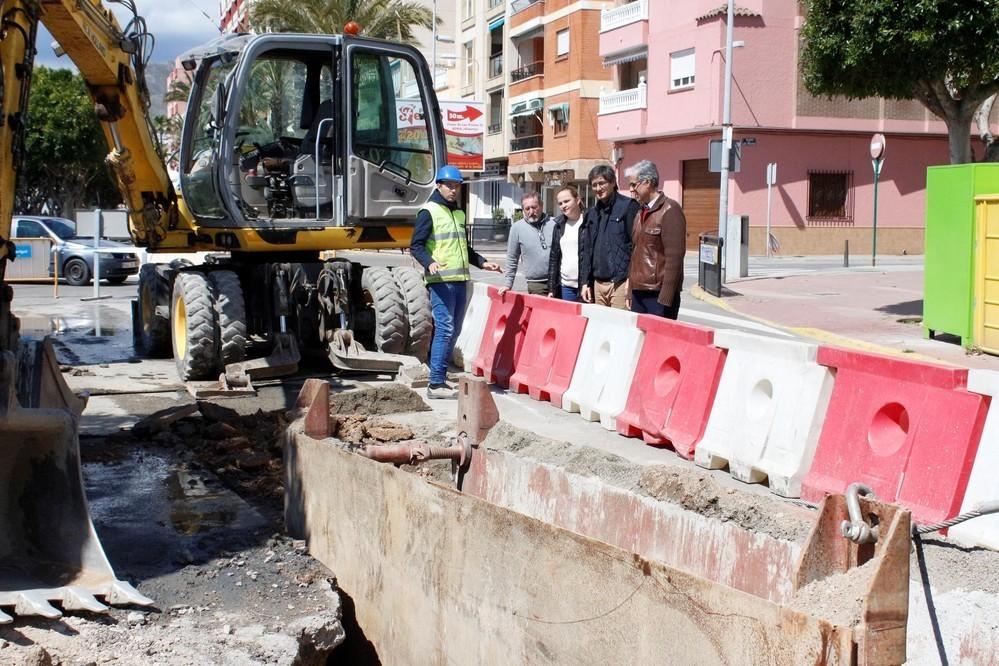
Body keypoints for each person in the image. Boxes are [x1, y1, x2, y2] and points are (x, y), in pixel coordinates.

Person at [410, 165, 501, 399]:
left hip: (459, 280)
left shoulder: (458, 213)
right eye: (449, 186)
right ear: (439, 186)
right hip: (441, 281)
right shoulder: (428, 211)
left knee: (454, 330)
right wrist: (429, 262)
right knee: (445, 328)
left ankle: (439, 374)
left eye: (457, 186)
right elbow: (416, 246)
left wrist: (482, 262)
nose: (453, 190)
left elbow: (463, 248)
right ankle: (435, 384)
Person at [625, 160, 687, 319]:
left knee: (659, 334)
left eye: (633, 185)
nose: (631, 190)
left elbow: (675, 256)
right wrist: (631, 289)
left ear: (647, 182)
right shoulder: (641, 212)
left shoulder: (670, 209)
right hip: (639, 292)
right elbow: (635, 253)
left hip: (658, 295)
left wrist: (666, 297)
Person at [579, 164, 641, 309]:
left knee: (619, 323)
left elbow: (636, 246)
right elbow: (586, 251)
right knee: (601, 323)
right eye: (594, 185)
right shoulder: (591, 213)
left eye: (602, 183)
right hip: (597, 284)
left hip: (620, 283)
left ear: (613, 182)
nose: (598, 188)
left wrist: (631, 280)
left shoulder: (628, 206)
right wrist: (585, 282)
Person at [499, 193, 555, 296]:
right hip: (536, 284)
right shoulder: (517, 228)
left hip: (558, 281)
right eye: (527, 208)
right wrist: (508, 284)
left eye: (534, 207)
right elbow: (512, 258)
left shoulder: (554, 223)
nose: (531, 212)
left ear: (541, 205)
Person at [547, 185, 586, 301]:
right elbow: (554, 257)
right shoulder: (559, 225)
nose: (563, 205)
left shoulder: (588, 221)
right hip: (565, 286)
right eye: (560, 203)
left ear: (577, 200)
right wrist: (551, 288)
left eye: (567, 201)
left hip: (585, 286)